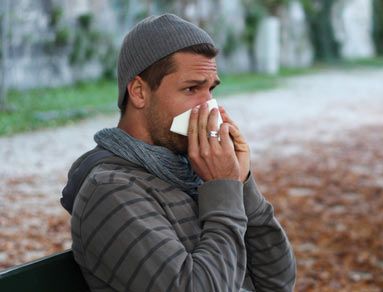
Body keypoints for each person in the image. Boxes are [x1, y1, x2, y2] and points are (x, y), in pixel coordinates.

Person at [61, 14, 296, 291]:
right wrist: (223, 188)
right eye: (191, 89)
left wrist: (242, 184)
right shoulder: (111, 190)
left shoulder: (189, 169)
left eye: (210, 90)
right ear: (138, 92)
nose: (209, 107)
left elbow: (278, 282)